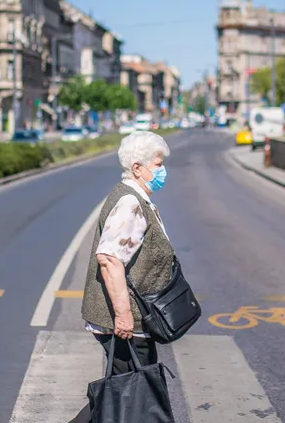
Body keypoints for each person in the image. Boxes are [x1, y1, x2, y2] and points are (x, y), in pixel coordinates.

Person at [70, 131, 176, 423]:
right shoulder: (130, 203)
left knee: (124, 392)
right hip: (125, 323)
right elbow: (109, 259)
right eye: (157, 164)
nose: (162, 170)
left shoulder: (134, 197)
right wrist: (124, 316)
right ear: (137, 168)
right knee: (132, 395)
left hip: (131, 321)